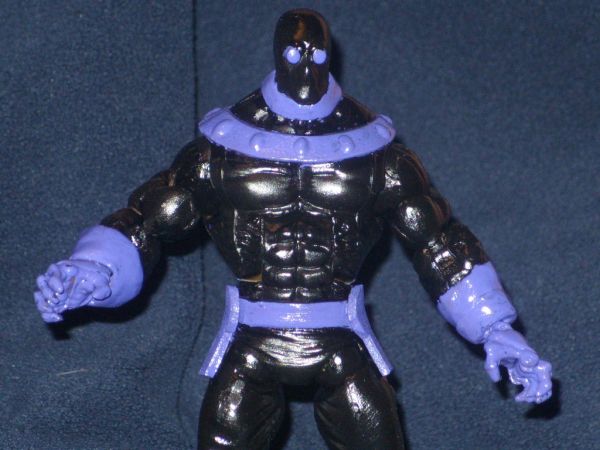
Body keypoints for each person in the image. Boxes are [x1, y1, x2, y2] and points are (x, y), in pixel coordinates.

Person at [35, 9, 552, 450]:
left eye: (316, 55)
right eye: (294, 53)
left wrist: (494, 328)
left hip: (339, 337)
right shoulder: (221, 152)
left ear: (329, 57)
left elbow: (436, 240)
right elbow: (150, 219)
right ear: (277, 55)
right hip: (254, 337)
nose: (306, 65)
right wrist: (94, 268)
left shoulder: (377, 156)